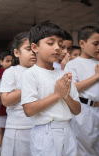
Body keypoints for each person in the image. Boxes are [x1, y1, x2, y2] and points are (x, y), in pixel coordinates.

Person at [21, 22, 81, 156]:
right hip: (46, 132)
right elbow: (29, 110)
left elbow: (77, 109)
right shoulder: (30, 75)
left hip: (67, 129)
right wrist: (57, 95)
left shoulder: (63, 75)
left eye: (60, 44)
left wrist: (66, 96)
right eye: (50, 43)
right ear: (35, 47)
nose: (57, 48)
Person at [65, 26, 99, 156]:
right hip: (85, 111)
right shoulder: (73, 64)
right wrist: (97, 75)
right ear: (82, 43)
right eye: (95, 43)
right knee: (84, 150)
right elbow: (71, 88)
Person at [0, 32, 36, 156]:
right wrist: (30, 86)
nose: (33, 52)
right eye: (28, 49)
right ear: (16, 53)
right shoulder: (11, 72)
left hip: (40, 126)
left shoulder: (42, 71)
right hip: (18, 128)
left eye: (36, 48)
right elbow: (6, 100)